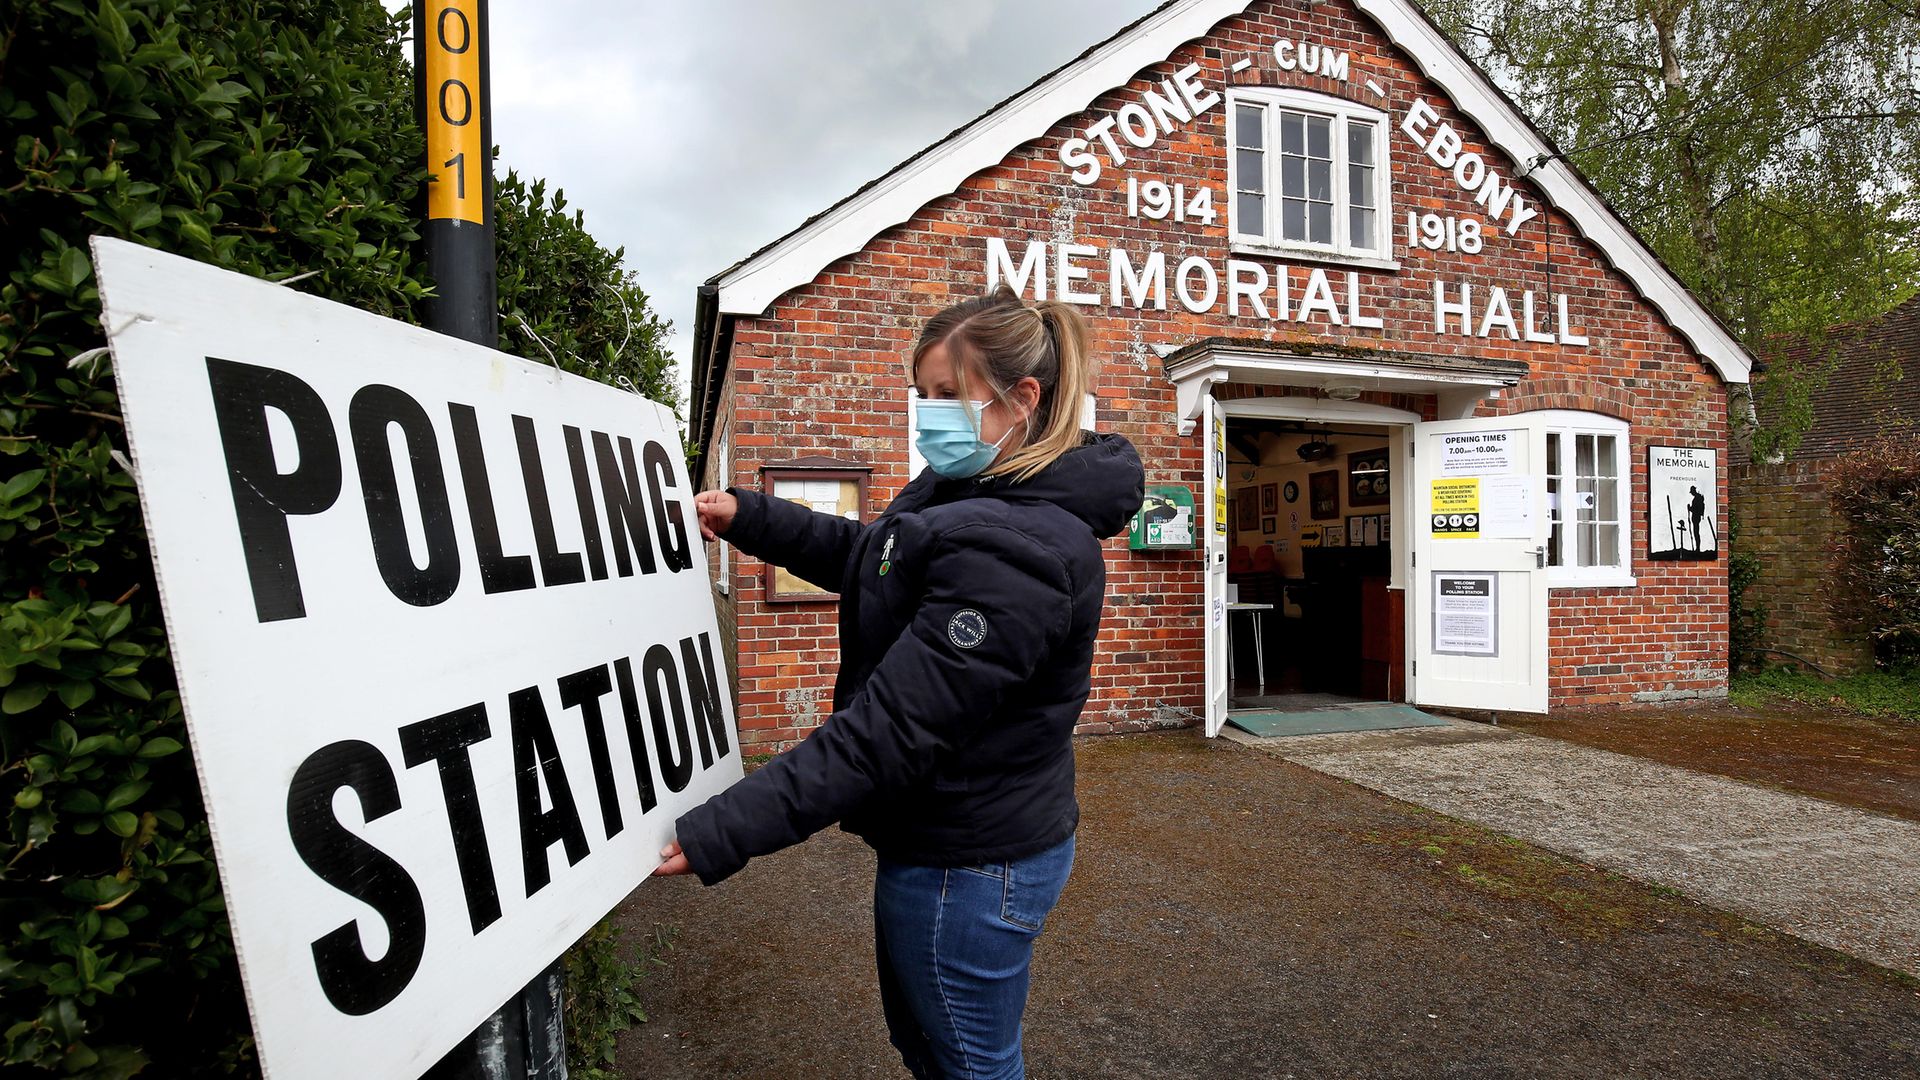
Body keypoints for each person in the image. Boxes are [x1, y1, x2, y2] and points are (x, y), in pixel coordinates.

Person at [656, 285, 1143, 1079]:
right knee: (932, 1047)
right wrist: (750, 517)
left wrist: (724, 828)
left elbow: (891, 731)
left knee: (969, 1066)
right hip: (957, 837)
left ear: (1022, 399)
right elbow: (873, 558)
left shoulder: (1018, 547)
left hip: (969, 865)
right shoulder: (970, 494)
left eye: (948, 395)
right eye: (922, 395)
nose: (929, 415)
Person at [1688, 485, 1706, 551]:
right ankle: (1697, 547)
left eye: (1692, 492)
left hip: (1696, 517)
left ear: (1693, 491)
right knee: (1696, 532)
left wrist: (1690, 508)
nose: (1691, 493)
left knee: (1696, 532)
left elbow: (1695, 509)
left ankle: (1698, 548)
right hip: (1696, 517)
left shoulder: (1696, 498)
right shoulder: (1697, 498)